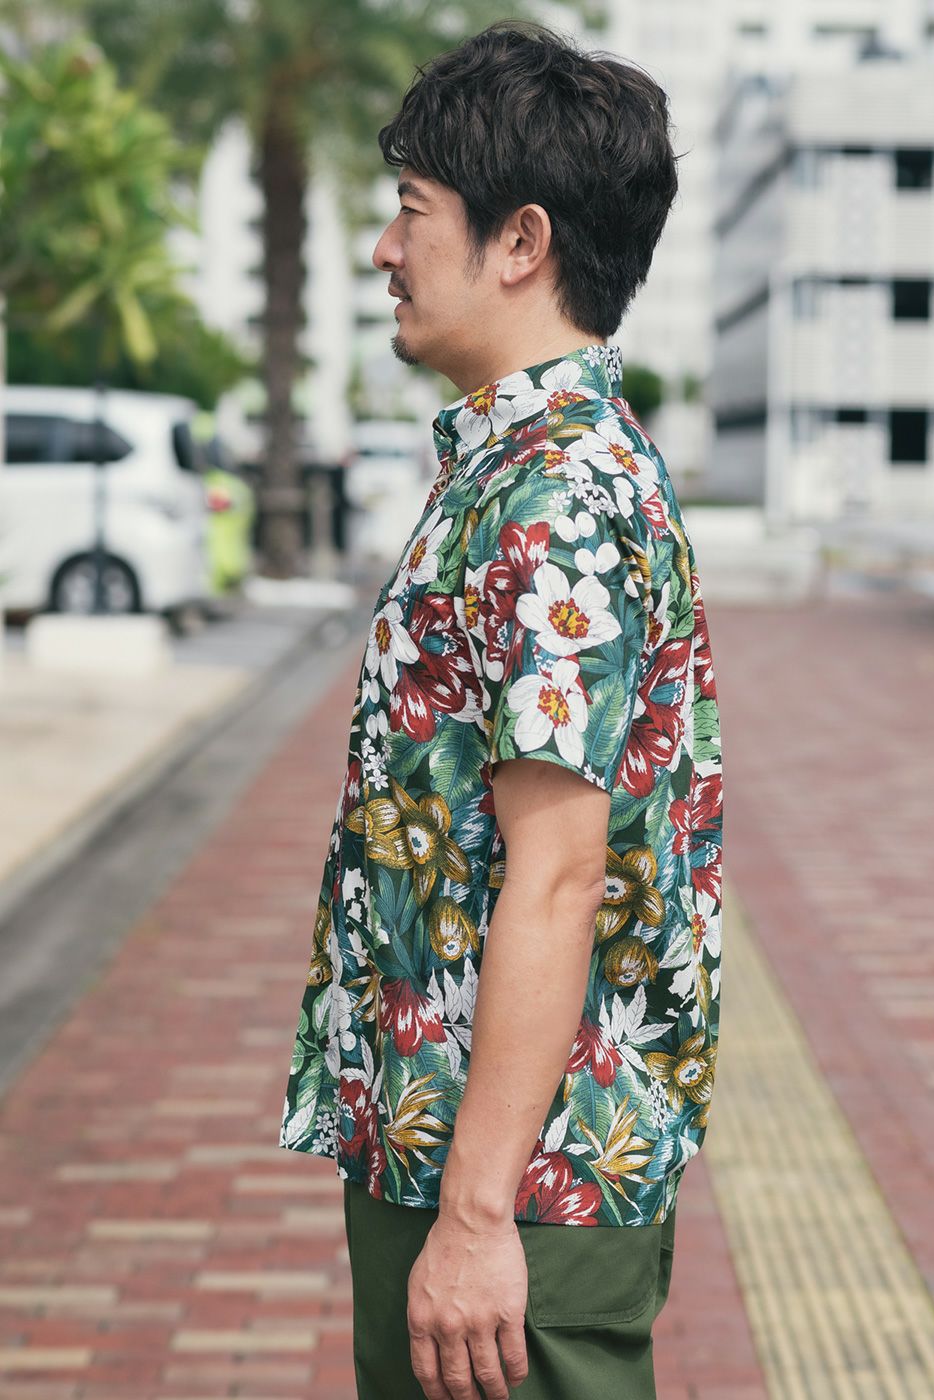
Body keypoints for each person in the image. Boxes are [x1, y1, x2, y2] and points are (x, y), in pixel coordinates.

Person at [278, 20, 723, 1400]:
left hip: (519, 1186)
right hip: (471, 1149)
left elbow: (560, 872)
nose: (385, 250)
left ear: (520, 241)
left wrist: (474, 1218)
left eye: (412, 211)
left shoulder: (554, 499)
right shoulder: (518, 467)